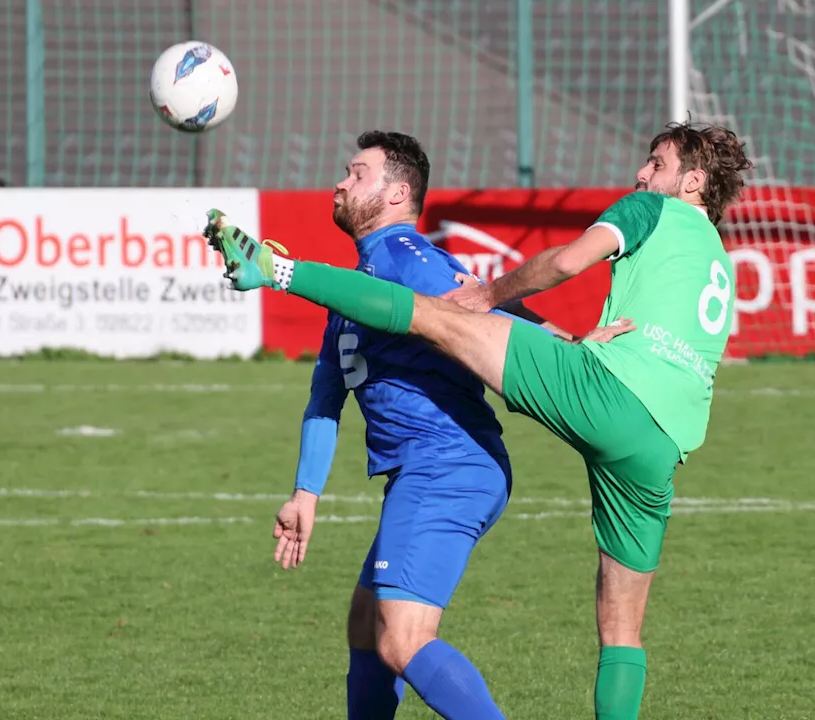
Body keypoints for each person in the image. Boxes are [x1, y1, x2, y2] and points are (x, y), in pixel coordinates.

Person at [209, 120, 753, 720]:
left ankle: (275, 270)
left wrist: (495, 299)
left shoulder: (645, 210)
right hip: (663, 441)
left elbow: (563, 264)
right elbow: (326, 393)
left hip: (545, 421)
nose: (641, 174)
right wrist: (305, 493)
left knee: (434, 320)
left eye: (655, 163)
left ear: (692, 180)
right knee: (615, 633)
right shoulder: (718, 261)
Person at [265, 130, 629, 720]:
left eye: (356, 173)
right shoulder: (360, 279)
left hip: (448, 465)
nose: (340, 182)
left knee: (401, 639)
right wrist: (305, 495)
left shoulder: (406, 259)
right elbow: (325, 398)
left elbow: (490, 312)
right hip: (427, 469)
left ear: (396, 193)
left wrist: (572, 349)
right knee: (365, 626)